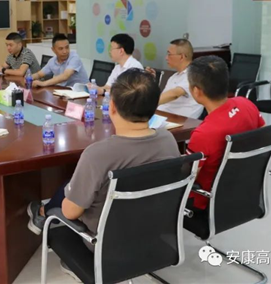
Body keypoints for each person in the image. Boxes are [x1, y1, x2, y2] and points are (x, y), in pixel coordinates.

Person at [26, 69, 180, 277]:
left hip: (105, 245)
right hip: (152, 234)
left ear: (112, 106)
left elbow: (70, 213)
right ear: (155, 107)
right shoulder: (168, 140)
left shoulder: (97, 155)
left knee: (65, 200)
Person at [186, 56, 265, 210]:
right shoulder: (247, 104)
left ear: (196, 91)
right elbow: (264, 138)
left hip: (204, 203)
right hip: (244, 193)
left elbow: (187, 178)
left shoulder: (203, 134)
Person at [146, 38, 203, 118]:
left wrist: (146, 104)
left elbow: (175, 94)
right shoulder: (174, 77)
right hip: (162, 116)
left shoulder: (193, 75)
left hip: (179, 121)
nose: (166, 58)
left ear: (182, 57)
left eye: (169, 54)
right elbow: (162, 98)